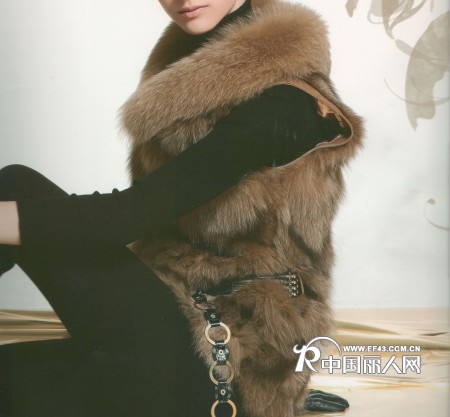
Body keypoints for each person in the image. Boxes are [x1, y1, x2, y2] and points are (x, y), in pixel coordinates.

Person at [0, 0, 363, 416]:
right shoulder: (188, 80)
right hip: (168, 328)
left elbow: (130, 215)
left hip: (227, 359)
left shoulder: (284, 101)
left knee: (16, 187)